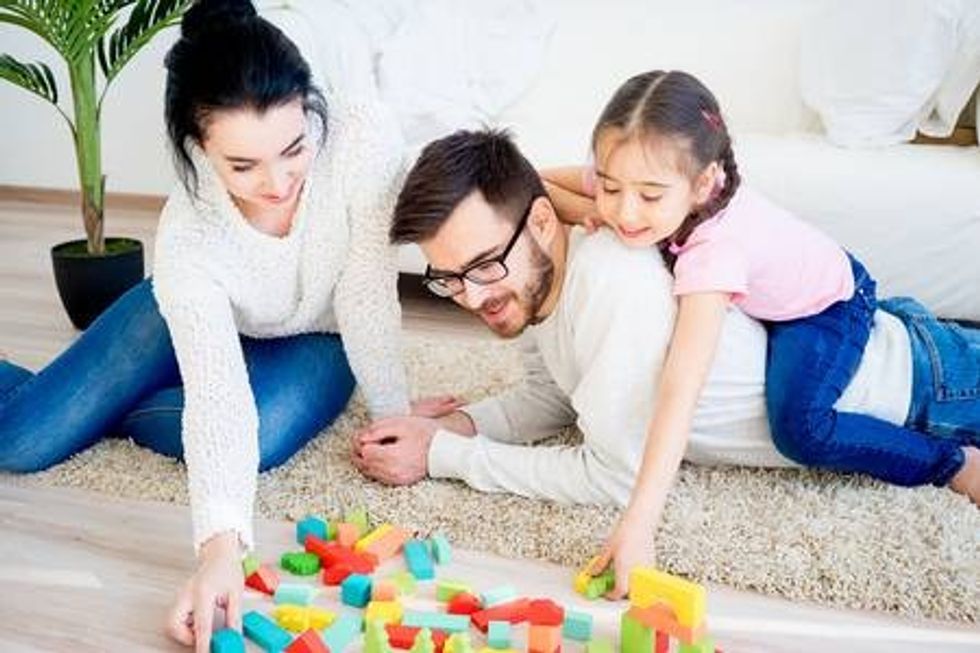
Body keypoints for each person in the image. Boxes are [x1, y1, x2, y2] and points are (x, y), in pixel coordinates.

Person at [352, 127, 980, 599]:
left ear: (541, 221)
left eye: (483, 266)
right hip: (906, 353)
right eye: (447, 279)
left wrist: (442, 459)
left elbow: (613, 479)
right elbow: (551, 399)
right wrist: (453, 426)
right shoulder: (525, 286)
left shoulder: (610, 281)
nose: (471, 296)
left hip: (926, 389)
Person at [0, 1, 445, 649]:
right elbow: (216, 397)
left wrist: (394, 411)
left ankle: (101, 401)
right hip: (194, 310)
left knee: (257, 439)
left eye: (294, 148)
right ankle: (76, 397)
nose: (278, 181)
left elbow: (367, 293)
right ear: (198, 147)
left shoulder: (363, 139)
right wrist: (218, 550)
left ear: (310, 107)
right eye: (243, 165)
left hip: (316, 337)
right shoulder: (187, 234)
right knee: (22, 439)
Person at [539, 69, 979, 590]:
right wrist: (600, 211)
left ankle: (952, 464)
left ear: (704, 183)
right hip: (792, 282)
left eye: (650, 198)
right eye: (611, 187)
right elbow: (535, 182)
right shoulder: (637, 175)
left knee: (802, 427)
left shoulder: (714, 251)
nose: (626, 210)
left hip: (830, 305)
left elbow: (681, 388)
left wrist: (637, 524)